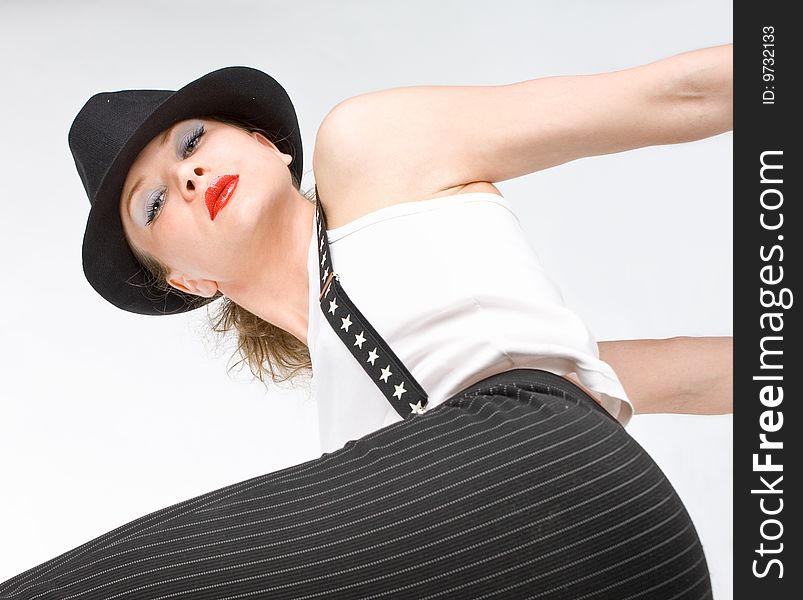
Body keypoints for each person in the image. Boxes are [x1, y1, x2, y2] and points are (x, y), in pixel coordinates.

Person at [0, 43, 731, 599]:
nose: (185, 177)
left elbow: (679, 95)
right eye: (152, 204)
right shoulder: (357, 447)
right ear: (188, 282)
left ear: (267, 143)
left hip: (579, 489)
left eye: (192, 141)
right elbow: (690, 379)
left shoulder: (372, 150)